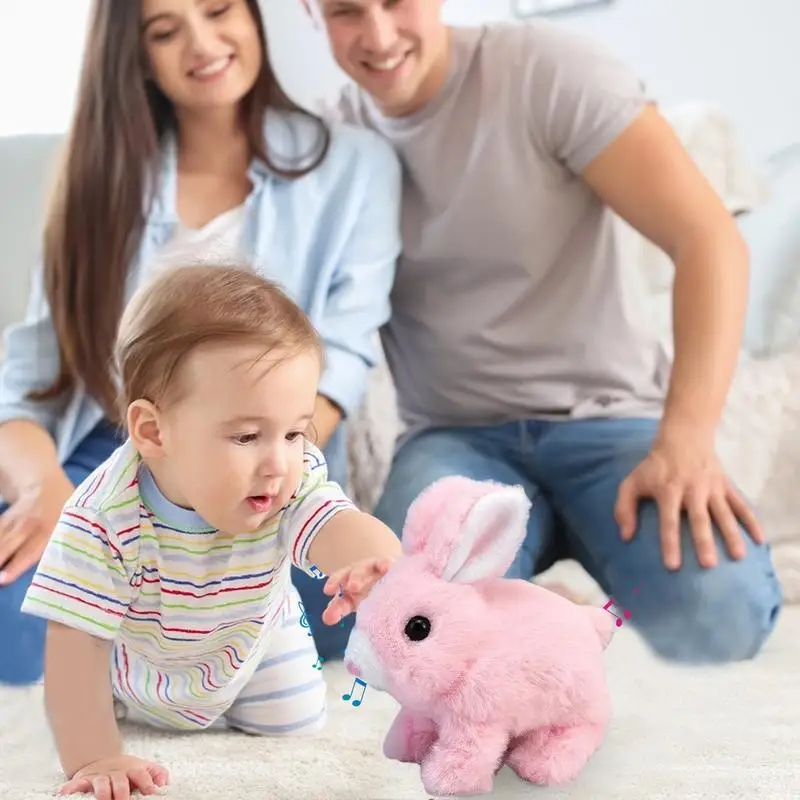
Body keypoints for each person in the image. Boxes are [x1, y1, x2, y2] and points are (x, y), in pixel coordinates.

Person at [310, 0, 783, 663]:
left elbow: (709, 240)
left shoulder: (547, 70)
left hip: (610, 422)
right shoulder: (334, 145)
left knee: (719, 621)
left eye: (395, 2)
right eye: (345, 11)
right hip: (456, 441)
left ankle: (560, 572)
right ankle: (546, 603)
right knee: (396, 635)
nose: (379, 35)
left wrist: (687, 439)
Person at [0, 0, 401, 684]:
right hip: (115, 456)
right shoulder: (100, 181)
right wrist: (47, 488)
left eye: (219, 10)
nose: (203, 42)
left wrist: (251, 470)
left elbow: (344, 359)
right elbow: (25, 377)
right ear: (138, 56)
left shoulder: (353, 164)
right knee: (22, 642)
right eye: (164, 30)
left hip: (267, 455)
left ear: (253, 18)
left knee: (352, 616)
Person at [22, 265, 401, 800]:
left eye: (295, 431)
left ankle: (247, 692)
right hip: (140, 659)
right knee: (85, 700)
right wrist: (95, 755)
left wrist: (375, 563)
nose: (279, 461)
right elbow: (74, 639)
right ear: (154, 432)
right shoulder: (104, 515)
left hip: (256, 644)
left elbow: (334, 521)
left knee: (298, 717)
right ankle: (120, 706)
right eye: (247, 435)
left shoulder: (287, 479)